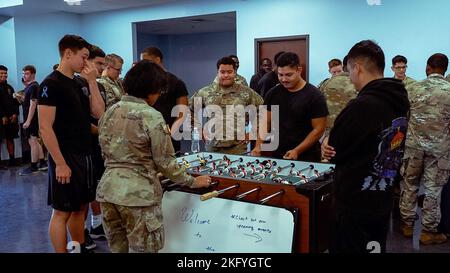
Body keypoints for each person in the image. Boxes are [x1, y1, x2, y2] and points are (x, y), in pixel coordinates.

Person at [97, 60, 211, 253]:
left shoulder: (110, 112)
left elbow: (106, 150)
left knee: (117, 250)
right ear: (152, 90)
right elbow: (165, 162)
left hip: (108, 192)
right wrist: (193, 181)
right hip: (139, 197)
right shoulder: (152, 116)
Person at [321, 40, 409, 253]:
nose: (350, 78)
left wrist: (326, 143)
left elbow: (335, 150)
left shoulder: (361, 106)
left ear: (357, 68)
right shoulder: (399, 99)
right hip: (382, 193)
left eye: (349, 71)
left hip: (355, 202)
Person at [38, 35, 105, 253]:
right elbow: (45, 128)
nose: (86, 63)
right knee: (62, 212)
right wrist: (60, 163)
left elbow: (98, 113)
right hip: (65, 157)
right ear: (68, 54)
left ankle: (78, 247)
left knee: (81, 208)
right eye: (83, 57)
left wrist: (93, 81)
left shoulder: (80, 82)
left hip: (85, 155)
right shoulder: (51, 84)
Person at [399, 53, 450, 245]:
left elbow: (404, 117)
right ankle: (429, 231)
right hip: (439, 150)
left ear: (428, 68)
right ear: (445, 70)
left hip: (413, 147)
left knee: (409, 185)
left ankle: (406, 224)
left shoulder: (413, 88)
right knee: (433, 189)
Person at [252, 52, 328, 162]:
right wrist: (258, 145)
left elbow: (318, 130)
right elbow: (265, 122)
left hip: (307, 157)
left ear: (299, 70)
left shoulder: (315, 96)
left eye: (288, 75)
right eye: (280, 75)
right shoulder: (273, 93)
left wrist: (297, 150)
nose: (283, 79)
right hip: (278, 154)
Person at [190, 56, 263, 155]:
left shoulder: (246, 92)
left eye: (229, 72)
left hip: (237, 148)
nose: (226, 75)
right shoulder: (206, 92)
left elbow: (264, 111)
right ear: (218, 72)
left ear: (235, 72)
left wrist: (253, 132)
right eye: (222, 72)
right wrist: (198, 128)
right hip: (212, 147)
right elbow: (188, 109)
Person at [141, 47, 189, 153]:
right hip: (146, 136)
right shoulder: (144, 82)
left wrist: (171, 133)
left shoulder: (175, 82)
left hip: (168, 134)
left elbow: (182, 111)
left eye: (147, 61)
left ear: (157, 60)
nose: (144, 64)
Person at [18, 65, 47, 175]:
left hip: (32, 119)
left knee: (32, 141)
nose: (24, 76)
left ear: (33, 74)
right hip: (30, 118)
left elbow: (33, 104)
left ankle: (33, 166)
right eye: (23, 74)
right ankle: (43, 163)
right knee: (35, 141)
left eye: (26, 74)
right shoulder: (29, 87)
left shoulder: (34, 86)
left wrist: (28, 121)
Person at [319, 57, 357, 134]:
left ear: (343, 68)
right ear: (329, 71)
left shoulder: (354, 82)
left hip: (348, 124)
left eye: (339, 71)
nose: (337, 74)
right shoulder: (324, 84)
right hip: (329, 127)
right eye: (334, 72)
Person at [0, 65, 20, 167]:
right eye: (1, 73)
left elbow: (15, 102)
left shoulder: (9, 88)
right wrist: (2, 115)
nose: (4, 75)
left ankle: (12, 161)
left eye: (5, 73)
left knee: (10, 139)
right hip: (1, 118)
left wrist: (15, 113)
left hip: (11, 119)